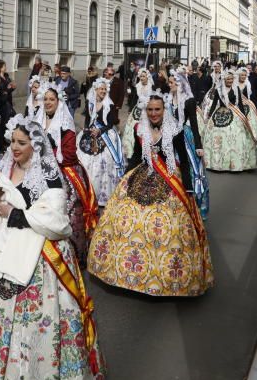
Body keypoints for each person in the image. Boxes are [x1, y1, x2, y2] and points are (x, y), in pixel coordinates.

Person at [0, 116, 105, 380]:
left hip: (37, 253)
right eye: (12, 142)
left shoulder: (50, 175)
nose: (14, 148)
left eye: (21, 143)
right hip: (1, 247)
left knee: (33, 325)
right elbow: (0, 206)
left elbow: (58, 223)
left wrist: (15, 213)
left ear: (35, 145)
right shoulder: (6, 167)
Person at [88, 95, 214, 296]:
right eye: (150, 110)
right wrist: (126, 177)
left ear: (164, 110)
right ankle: (129, 273)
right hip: (143, 174)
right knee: (128, 221)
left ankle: (167, 277)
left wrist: (189, 188)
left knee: (169, 227)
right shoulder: (140, 129)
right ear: (146, 111)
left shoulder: (176, 129)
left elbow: (185, 160)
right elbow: (137, 156)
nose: (154, 113)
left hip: (169, 176)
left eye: (157, 109)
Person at [36, 86, 98, 268]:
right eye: (45, 99)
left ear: (59, 102)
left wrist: (46, 154)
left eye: (51, 99)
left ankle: (72, 257)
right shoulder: (39, 119)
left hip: (65, 173)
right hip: (42, 171)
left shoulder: (65, 122)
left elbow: (69, 154)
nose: (47, 102)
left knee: (69, 213)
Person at [167, 71, 209, 220]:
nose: (169, 84)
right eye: (169, 82)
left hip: (184, 136)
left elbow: (195, 124)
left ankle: (190, 204)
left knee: (189, 170)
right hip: (168, 136)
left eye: (171, 82)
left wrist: (198, 146)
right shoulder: (167, 99)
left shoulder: (189, 101)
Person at [77, 78, 125, 206]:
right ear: (96, 90)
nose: (103, 91)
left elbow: (110, 123)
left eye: (105, 89)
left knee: (106, 162)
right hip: (90, 133)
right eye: (101, 89)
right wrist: (86, 130)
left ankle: (103, 195)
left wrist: (100, 130)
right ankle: (86, 191)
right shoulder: (90, 103)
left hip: (105, 133)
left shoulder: (109, 104)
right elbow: (87, 120)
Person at [203, 69, 257, 171]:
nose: (230, 81)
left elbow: (240, 104)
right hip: (220, 114)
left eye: (231, 79)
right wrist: (209, 116)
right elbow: (215, 103)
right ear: (224, 80)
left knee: (235, 139)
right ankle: (218, 162)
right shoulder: (219, 90)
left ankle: (235, 163)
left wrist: (244, 116)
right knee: (219, 139)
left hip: (235, 116)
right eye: (228, 79)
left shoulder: (236, 89)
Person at [122, 69, 154, 158]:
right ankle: (131, 150)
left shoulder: (151, 87)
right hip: (137, 110)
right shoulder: (137, 86)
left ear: (147, 77)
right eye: (141, 76)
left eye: (144, 76)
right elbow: (134, 99)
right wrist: (130, 109)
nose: (142, 78)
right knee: (131, 129)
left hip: (148, 110)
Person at [235, 67, 257, 161]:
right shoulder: (234, 84)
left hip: (248, 109)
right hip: (236, 108)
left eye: (245, 75)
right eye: (242, 75)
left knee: (249, 129)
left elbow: (253, 97)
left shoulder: (248, 84)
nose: (243, 77)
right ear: (238, 75)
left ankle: (250, 149)